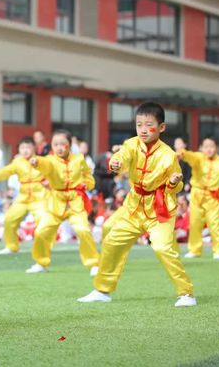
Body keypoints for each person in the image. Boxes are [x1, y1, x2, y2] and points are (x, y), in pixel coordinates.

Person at [78, 102, 196, 307]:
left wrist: (174, 182)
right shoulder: (131, 144)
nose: (142, 129)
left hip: (160, 208)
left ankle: (186, 293)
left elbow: (176, 188)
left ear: (161, 128)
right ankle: (102, 290)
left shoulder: (168, 154)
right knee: (112, 241)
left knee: (161, 248)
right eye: (139, 124)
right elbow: (122, 156)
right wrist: (115, 162)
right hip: (133, 207)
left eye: (148, 125)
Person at [28, 129, 100, 276]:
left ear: (69, 145)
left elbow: (88, 176)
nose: (59, 147)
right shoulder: (50, 160)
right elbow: (45, 164)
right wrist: (36, 162)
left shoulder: (79, 159)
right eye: (55, 144)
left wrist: (88, 184)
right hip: (56, 203)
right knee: (41, 231)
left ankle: (94, 263)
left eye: (63, 144)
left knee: (83, 230)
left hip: (76, 203)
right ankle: (41, 262)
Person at [0, 136, 49, 255]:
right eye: (22, 148)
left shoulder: (41, 160)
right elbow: (6, 171)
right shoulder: (17, 162)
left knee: (43, 221)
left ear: (34, 148)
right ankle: (12, 246)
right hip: (23, 197)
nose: (25, 150)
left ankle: (43, 248)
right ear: (19, 149)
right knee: (9, 218)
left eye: (28, 147)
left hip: (39, 197)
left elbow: (50, 170)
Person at [178, 137, 219, 259]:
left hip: (213, 196)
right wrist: (182, 153)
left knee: (214, 223)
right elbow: (189, 155)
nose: (209, 149)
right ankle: (194, 250)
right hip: (197, 194)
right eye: (206, 146)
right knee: (195, 222)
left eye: (211, 146)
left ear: (216, 147)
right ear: (201, 147)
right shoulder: (198, 158)